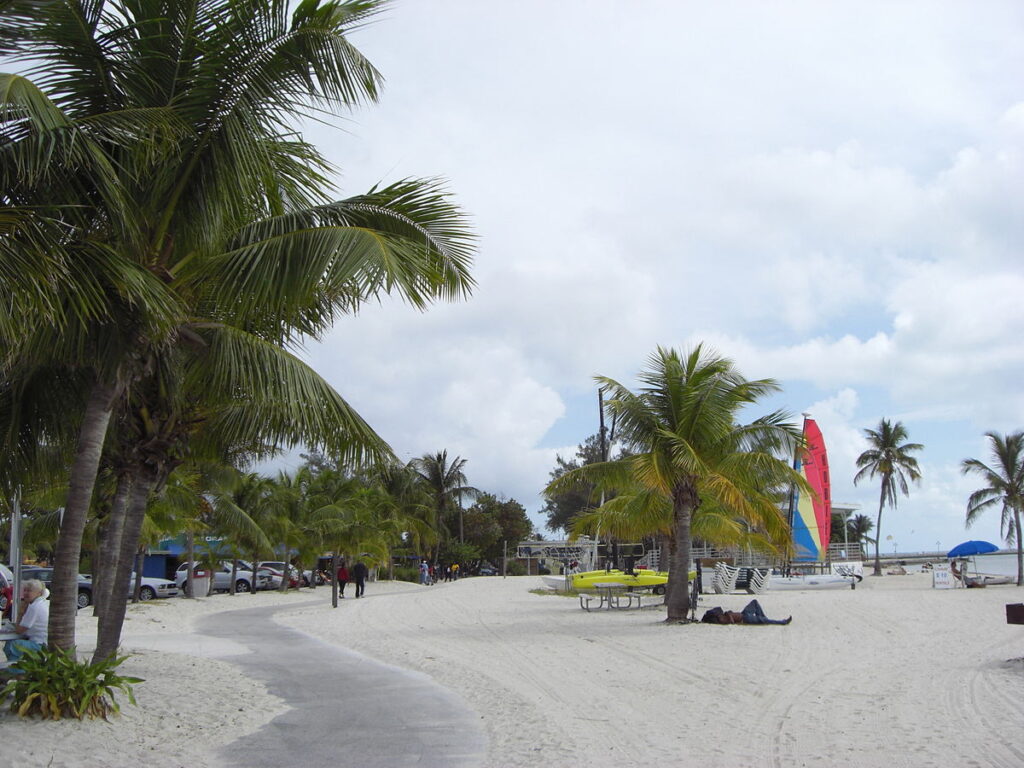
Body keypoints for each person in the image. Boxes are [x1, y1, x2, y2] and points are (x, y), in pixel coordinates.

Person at [4, 579, 49, 669]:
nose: (26, 593)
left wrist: (21, 612)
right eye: (25, 590)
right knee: (11, 644)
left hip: (39, 645)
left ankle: (18, 673)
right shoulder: (41, 603)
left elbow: (19, 630)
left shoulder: (34, 606)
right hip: (42, 642)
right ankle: (15, 672)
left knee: (12, 646)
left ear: (39, 593)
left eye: (29, 591)